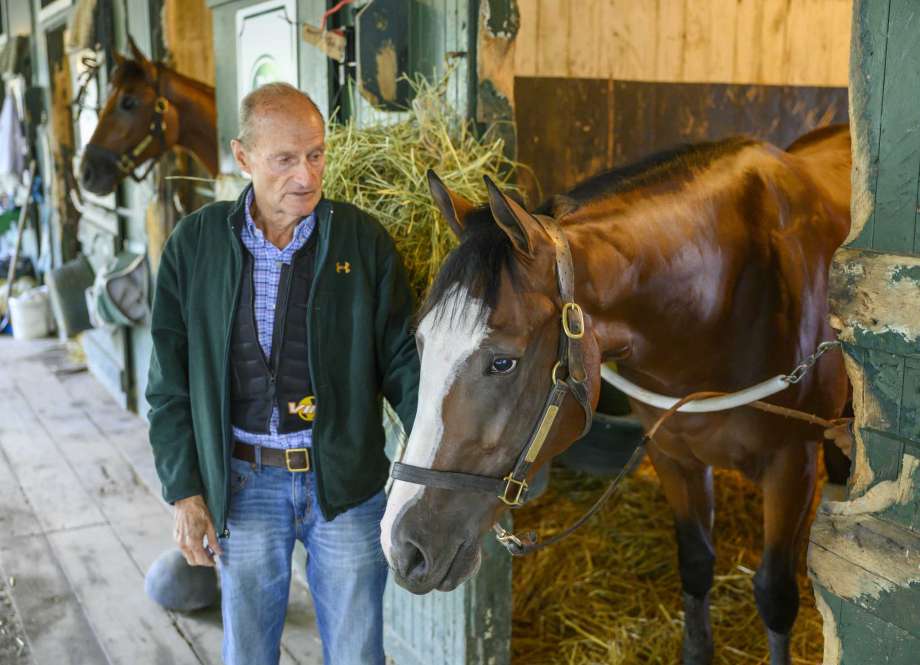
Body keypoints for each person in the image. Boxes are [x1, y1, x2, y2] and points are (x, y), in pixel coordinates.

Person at [146, 82, 419, 665]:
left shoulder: (360, 239)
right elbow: (168, 384)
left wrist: (439, 467)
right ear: (242, 157)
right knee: (248, 652)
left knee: (357, 652)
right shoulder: (195, 244)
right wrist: (184, 490)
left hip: (344, 484)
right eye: (285, 159)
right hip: (245, 487)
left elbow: (403, 361)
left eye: (316, 154)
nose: (307, 176)